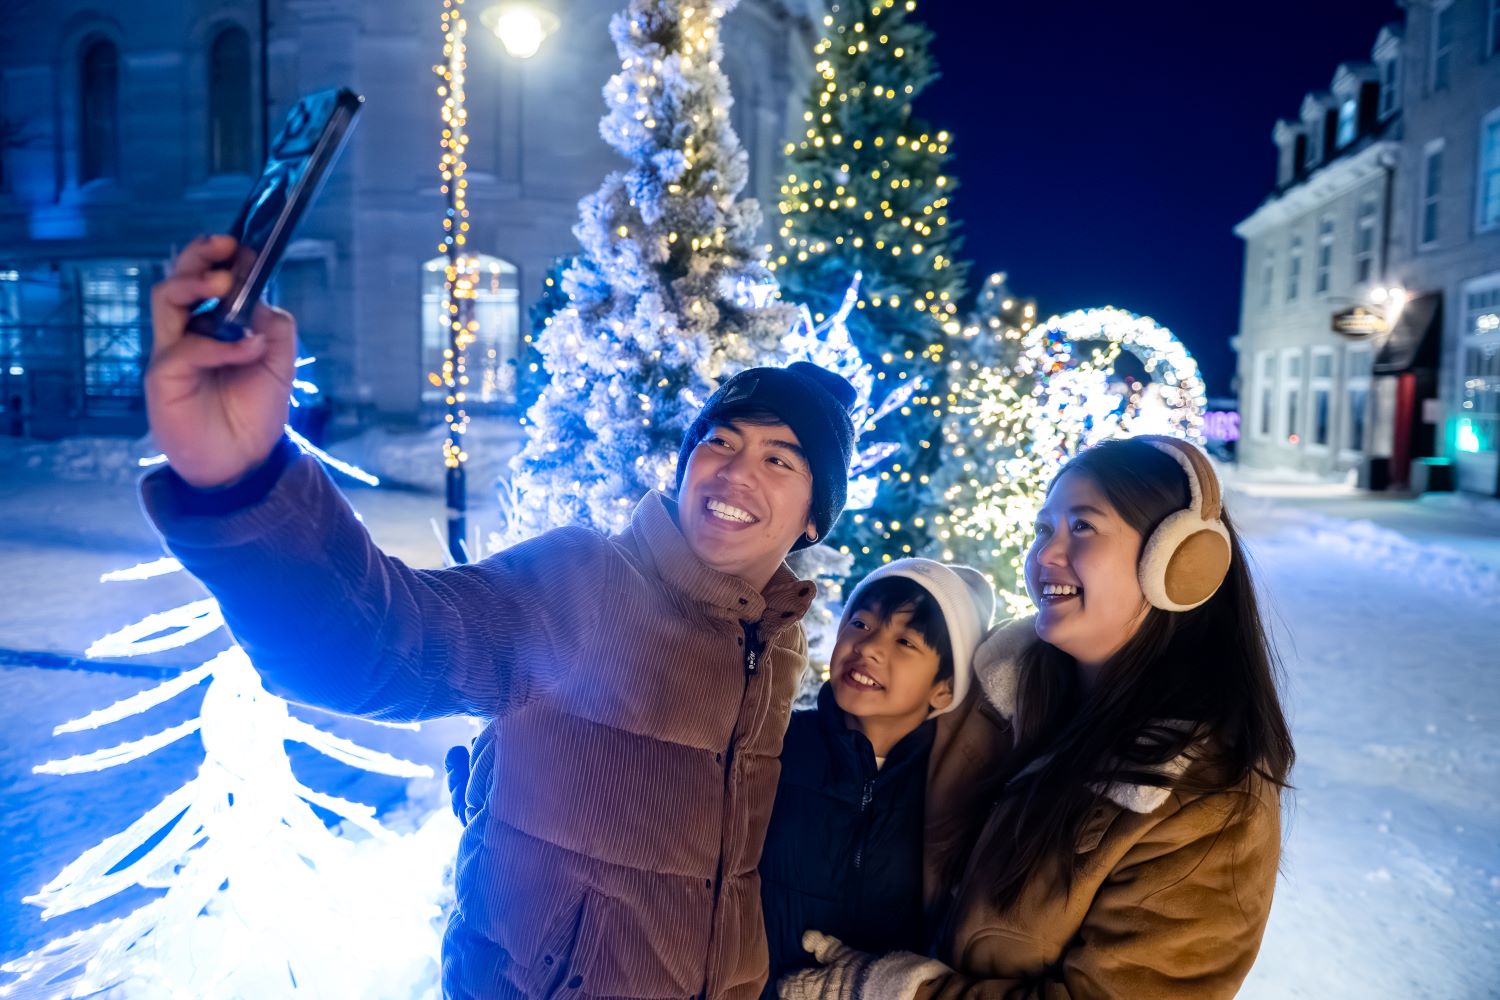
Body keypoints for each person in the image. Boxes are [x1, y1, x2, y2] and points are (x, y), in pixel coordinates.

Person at [140, 235, 858, 1000]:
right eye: (719, 441)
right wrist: (242, 484)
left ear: (813, 519)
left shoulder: (779, 643)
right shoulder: (585, 582)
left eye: (780, 459)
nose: (737, 470)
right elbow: (382, 645)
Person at [780, 435, 1295, 1000]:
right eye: (1043, 530)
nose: (1044, 556)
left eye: (1082, 527)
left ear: (1174, 564)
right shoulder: (997, 690)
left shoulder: (1207, 798)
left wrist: (899, 991)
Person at [758, 559, 994, 998]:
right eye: (861, 623)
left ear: (944, 687)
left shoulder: (949, 793)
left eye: (905, 641)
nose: (868, 647)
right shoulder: (778, 742)